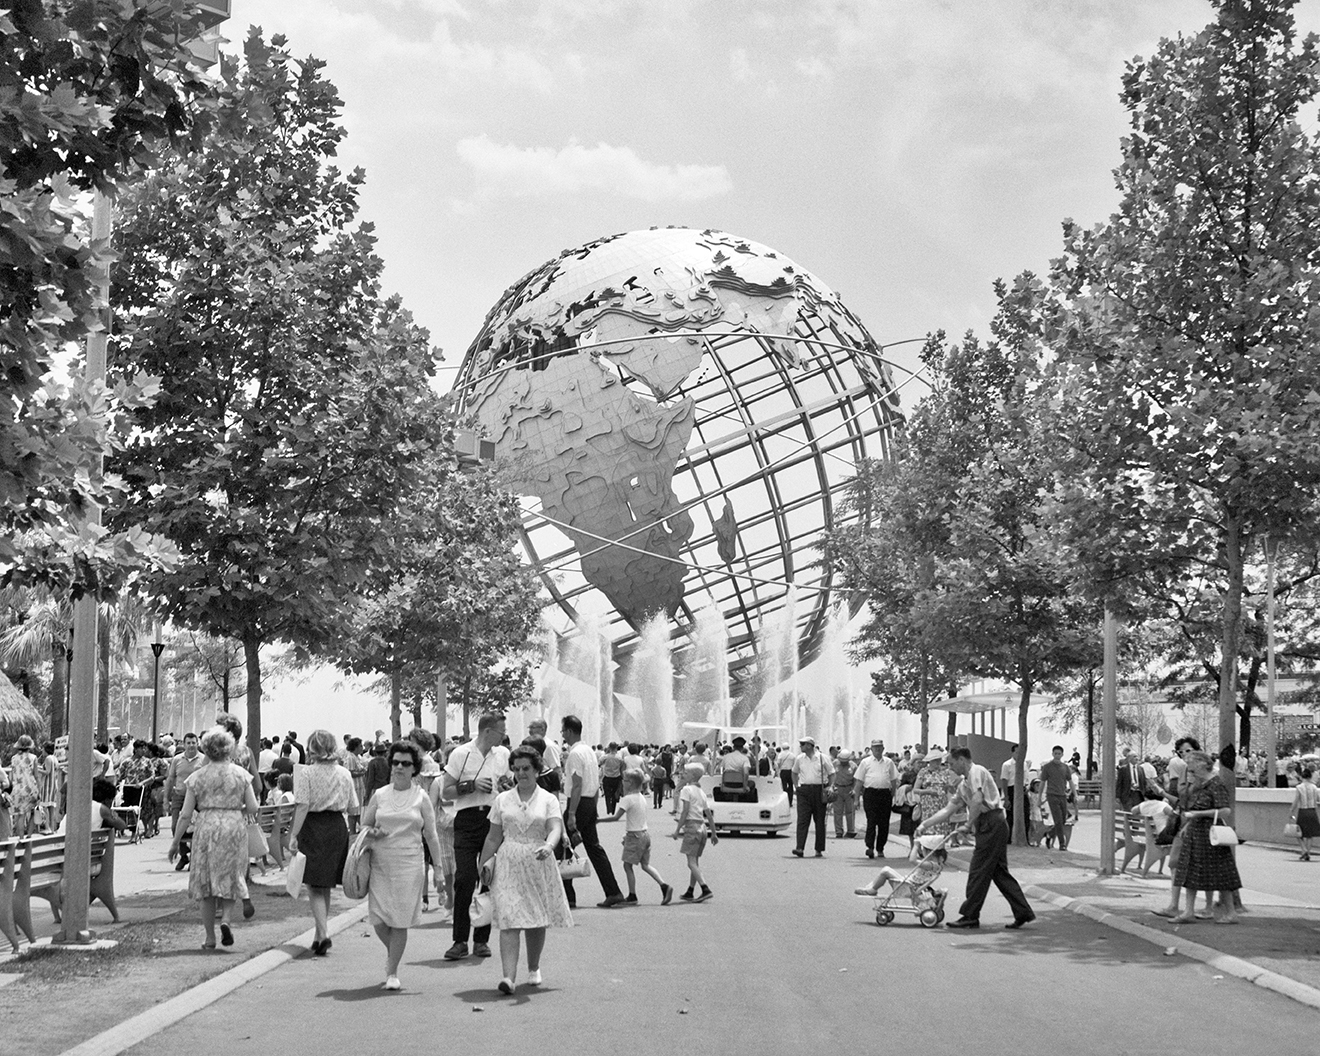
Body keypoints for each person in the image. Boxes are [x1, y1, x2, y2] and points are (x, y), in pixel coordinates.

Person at [477, 745, 573, 994]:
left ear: (537, 770)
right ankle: (508, 977)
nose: (521, 773)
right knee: (509, 919)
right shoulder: (502, 800)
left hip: (537, 860)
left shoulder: (549, 799)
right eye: (517, 768)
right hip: (508, 861)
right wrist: (483, 864)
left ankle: (534, 967)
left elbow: (555, 828)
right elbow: (492, 836)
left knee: (534, 919)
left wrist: (550, 846)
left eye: (526, 768)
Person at [917, 746, 1034, 930]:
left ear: (962, 760)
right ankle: (1023, 912)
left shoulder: (976, 772)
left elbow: (978, 800)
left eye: (952, 763)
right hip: (988, 824)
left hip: (991, 822)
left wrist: (968, 824)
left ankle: (970, 915)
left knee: (978, 870)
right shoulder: (964, 785)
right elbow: (948, 809)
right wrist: (925, 825)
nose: (950, 768)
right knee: (999, 872)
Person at [361, 739, 443, 990]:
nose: (399, 767)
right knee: (378, 919)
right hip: (381, 862)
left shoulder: (421, 797)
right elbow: (365, 825)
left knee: (399, 920)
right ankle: (394, 953)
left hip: (409, 863)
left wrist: (438, 869)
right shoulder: (380, 795)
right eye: (395, 762)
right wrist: (373, 833)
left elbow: (431, 835)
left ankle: (392, 971)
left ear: (414, 768)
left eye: (405, 764)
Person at [168, 728, 260, 950]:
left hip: (207, 827)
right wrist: (233, 809)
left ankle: (210, 937)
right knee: (232, 873)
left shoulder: (197, 777)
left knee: (205, 882)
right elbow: (254, 807)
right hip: (234, 826)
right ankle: (226, 920)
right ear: (228, 748)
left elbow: (186, 814)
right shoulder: (240, 774)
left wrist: (175, 843)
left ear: (205, 749)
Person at [443, 714, 512, 959]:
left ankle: (481, 940)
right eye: (501, 731)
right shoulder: (461, 754)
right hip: (466, 820)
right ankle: (459, 940)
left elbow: (507, 783)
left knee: (488, 877)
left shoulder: (502, 755)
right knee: (464, 878)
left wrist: (505, 785)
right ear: (487, 731)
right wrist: (470, 786)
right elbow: (446, 791)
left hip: (492, 821)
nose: (504, 735)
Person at [287, 729, 357, 955]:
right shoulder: (344, 773)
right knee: (325, 883)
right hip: (337, 826)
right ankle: (319, 936)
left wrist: (293, 834)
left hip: (313, 826)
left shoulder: (306, 773)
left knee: (314, 885)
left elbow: (303, 805)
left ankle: (324, 933)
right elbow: (353, 805)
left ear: (312, 749)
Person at [561, 713, 626, 908]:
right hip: (589, 802)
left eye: (563, 730)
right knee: (593, 847)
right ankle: (613, 890)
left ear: (570, 731)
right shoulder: (588, 751)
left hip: (578, 803)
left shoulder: (574, 754)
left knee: (561, 845)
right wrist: (595, 806)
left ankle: (568, 896)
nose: (562, 734)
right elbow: (595, 781)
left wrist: (572, 814)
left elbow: (578, 785)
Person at [1169, 750, 1241, 924]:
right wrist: (1189, 823)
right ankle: (1188, 911)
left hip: (1210, 834)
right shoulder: (1201, 785)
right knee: (1189, 871)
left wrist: (1198, 815)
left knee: (1221, 874)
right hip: (1197, 833)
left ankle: (1231, 913)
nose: (1190, 768)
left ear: (1202, 763)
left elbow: (1225, 810)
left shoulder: (1215, 785)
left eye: (1191, 764)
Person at [608, 769, 672, 905]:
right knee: (645, 865)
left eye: (624, 780)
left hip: (635, 836)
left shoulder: (627, 799)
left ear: (630, 783)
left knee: (627, 866)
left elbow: (616, 817)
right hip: (644, 834)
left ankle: (632, 895)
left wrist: (598, 820)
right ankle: (664, 886)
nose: (623, 783)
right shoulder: (641, 797)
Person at [854, 841, 948, 917]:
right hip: (911, 883)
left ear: (929, 852)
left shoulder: (930, 865)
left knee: (885, 870)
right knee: (886, 870)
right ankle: (871, 887)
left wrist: (915, 846)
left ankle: (872, 889)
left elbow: (912, 860)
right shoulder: (937, 866)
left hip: (910, 886)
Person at [672, 761, 716, 901]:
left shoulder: (686, 790)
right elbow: (708, 814)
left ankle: (705, 888)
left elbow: (685, 811)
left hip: (692, 827)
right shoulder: (701, 792)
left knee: (690, 862)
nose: (683, 774)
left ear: (692, 776)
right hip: (702, 828)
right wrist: (713, 833)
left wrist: (678, 829)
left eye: (685, 773)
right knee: (695, 862)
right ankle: (690, 890)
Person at [854, 739, 899, 858]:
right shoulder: (865, 762)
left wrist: (893, 795)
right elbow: (859, 781)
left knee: (884, 823)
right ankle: (870, 847)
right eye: (875, 747)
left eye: (880, 747)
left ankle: (880, 848)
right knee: (871, 821)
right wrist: (856, 799)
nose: (878, 749)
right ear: (871, 749)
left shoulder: (889, 762)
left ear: (883, 749)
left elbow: (894, 780)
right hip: (870, 794)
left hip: (885, 794)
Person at [791, 736, 833, 858]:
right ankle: (800, 847)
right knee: (802, 819)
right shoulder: (800, 759)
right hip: (804, 790)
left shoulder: (822, 758)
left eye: (802, 744)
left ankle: (819, 849)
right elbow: (794, 772)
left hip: (819, 790)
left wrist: (830, 787)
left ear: (809, 745)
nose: (800, 747)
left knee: (819, 820)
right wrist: (796, 786)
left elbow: (832, 774)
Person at [914, 748, 961, 835]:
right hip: (928, 805)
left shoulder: (944, 772)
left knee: (942, 826)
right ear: (930, 761)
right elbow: (915, 789)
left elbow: (951, 789)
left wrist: (950, 787)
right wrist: (928, 791)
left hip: (941, 803)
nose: (938, 762)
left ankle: (940, 845)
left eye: (939, 760)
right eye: (935, 760)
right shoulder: (924, 772)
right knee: (929, 827)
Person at [1039, 745, 1073, 851]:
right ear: (1052, 754)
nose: (1057, 755)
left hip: (1062, 795)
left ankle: (1050, 833)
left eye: (1059, 753)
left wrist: (1075, 794)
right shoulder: (1047, 767)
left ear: (1062, 754)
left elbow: (1070, 781)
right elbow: (1042, 782)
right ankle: (1062, 843)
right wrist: (1040, 797)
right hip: (1052, 795)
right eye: (1055, 753)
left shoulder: (1065, 767)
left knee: (1063, 819)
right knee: (1057, 819)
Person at [7, 735, 40, 837]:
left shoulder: (14, 759)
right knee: (33, 811)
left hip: (17, 790)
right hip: (30, 788)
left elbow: (12, 775)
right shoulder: (33, 758)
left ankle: (21, 838)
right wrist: (39, 789)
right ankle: (29, 835)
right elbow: (36, 775)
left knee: (20, 815)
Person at [1290, 767, 1319, 861]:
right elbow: (1318, 799)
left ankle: (1304, 849)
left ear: (1302, 776)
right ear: (1310, 777)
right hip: (1312, 810)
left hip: (1303, 811)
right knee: (1309, 835)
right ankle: (1308, 852)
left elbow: (1296, 800)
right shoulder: (1314, 787)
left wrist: (1291, 810)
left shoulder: (1299, 787)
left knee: (1299, 833)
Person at [830, 750, 858, 839]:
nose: (843, 762)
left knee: (850, 811)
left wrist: (855, 790)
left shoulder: (853, 766)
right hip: (838, 789)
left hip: (849, 789)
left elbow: (856, 779)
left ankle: (850, 830)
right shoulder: (834, 763)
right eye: (842, 760)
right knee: (837, 812)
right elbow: (830, 775)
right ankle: (838, 831)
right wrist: (831, 787)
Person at [599, 744, 625, 814]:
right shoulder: (619, 758)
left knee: (607, 794)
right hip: (616, 778)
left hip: (607, 777)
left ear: (609, 748)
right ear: (616, 748)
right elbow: (622, 768)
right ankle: (613, 809)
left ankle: (608, 809)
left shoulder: (605, 757)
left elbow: (599, 763)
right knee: (614, 794)